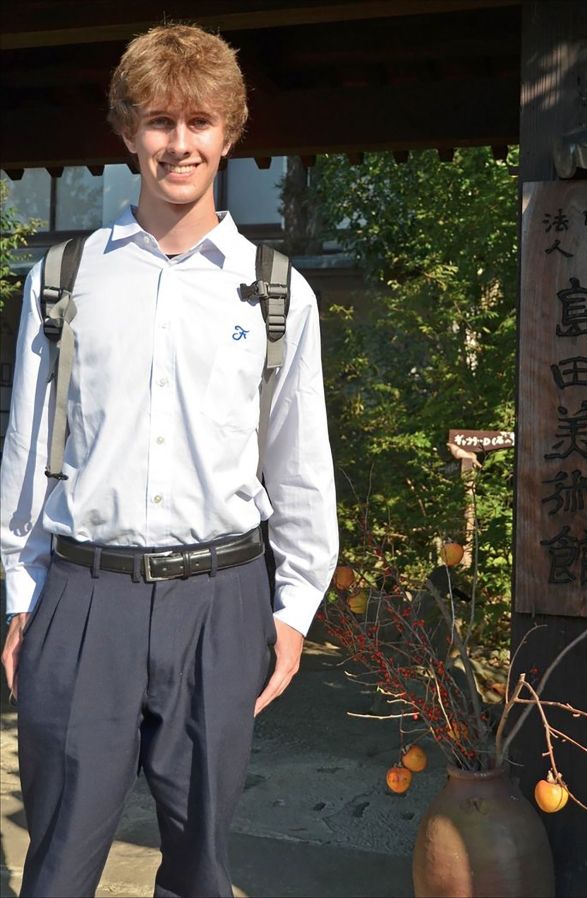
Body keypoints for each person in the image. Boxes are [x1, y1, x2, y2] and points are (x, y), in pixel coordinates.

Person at [0, 23, 338, 898]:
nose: (178, 143)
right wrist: (20, 591)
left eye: (199, 121)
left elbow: (300, 463)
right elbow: (28, 446)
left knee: (200, 865)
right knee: (61, 860)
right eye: (158, 121)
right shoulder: (64, 280)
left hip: (221, 603)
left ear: (231, 132)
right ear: (126, 133)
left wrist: (293, 608)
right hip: (82, 600)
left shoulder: (273, 291)